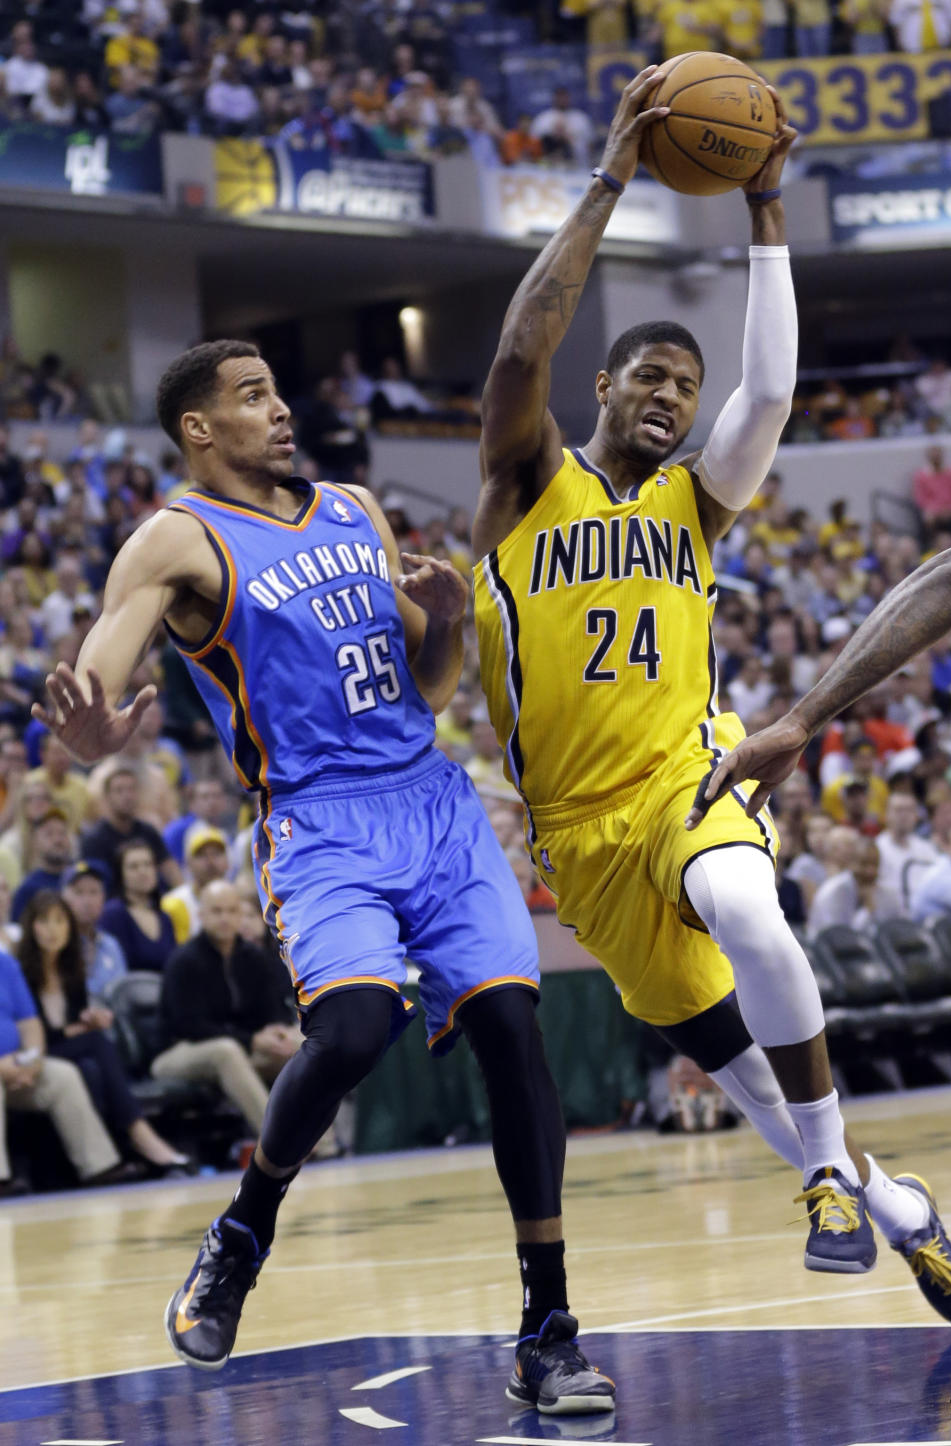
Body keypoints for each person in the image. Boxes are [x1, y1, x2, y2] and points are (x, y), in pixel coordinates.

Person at [32, 338, 615, 1412]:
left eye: (279, 391)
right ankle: (243, 1230)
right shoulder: (177, 537)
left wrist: (441, 621)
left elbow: (431, 686)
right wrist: (93, 734)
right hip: (319, 823)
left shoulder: (352, 507)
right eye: (252, 398)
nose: (281, 411)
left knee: (514, 1036)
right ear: (200, 429)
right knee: (350, 1027)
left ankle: (548, 1329)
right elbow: (98, 685)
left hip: (433, 804)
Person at [474, 66, 951, 1328]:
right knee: (745, 1082)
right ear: (605, 389)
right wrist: (613, 176)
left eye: (686, 388)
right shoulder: (530, 487)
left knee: (751, 906)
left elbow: (776, 395)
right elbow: (522, 346)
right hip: (579, 838)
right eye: (650, 376)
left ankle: (834, 1195)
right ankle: (886, 1202)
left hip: (690, 775)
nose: (673, 396)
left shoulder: (697, 503)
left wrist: (768, 210)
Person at [17, 891, 188, 1174]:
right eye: (44, 921)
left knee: (91, 1068)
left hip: (70, 1055)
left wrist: (89, 1021)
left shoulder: (72, 971)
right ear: (30, 926)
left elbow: (73, 1024)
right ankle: (140, 1135)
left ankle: (104, 1164)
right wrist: (80, 1031)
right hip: (36, 1057)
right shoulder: (22, 973)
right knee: (97, 1044)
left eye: (60, 921)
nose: (52, 930)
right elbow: (36, 1036)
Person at [151, 880, 300, 1134]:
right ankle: (279, 1141)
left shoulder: (253, 957)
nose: (225, 918)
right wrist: (252, 1040)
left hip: (239, 1052)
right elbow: (190, 1026)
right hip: (178, 1052)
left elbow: (271, 1008)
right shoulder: (183, 961)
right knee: (226, 1050)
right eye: (217, 911)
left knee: (300, 1041)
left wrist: (276, 1032)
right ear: (201, 914)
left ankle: (324, 1145)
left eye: (231, 911)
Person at [0, 943, 129, 1194]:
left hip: (17, 1065)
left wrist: (33, 1061)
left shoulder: (5, 964)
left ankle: (99, 1168)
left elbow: (30, 1022)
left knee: (63, 1076)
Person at [81, 763, 180, 890]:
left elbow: (170, 868)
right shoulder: (94, 839)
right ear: (107, 797)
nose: (127, 796)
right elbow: (92, 884)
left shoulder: (148, 831)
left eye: (131, 789)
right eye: (119, 790)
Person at [100, 840, 177, 974]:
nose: (142, 871)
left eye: (148, 864)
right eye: (133, 867)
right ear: (121, 874)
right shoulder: (112, 914)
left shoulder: (165, 917)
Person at [61, 861, 128, 1000]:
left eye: (94, 892)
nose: (87, 901)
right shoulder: (56, 944)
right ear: (63, 898)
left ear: (103, 898)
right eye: (78, 892)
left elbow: (123, 995)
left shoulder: (110, 945)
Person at [161, 825, 231, 943]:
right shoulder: (173, 903)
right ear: (188, 862)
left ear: (228, 860)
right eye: (201, 855)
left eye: (216, 853)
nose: (210, 861)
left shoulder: (240, 900)